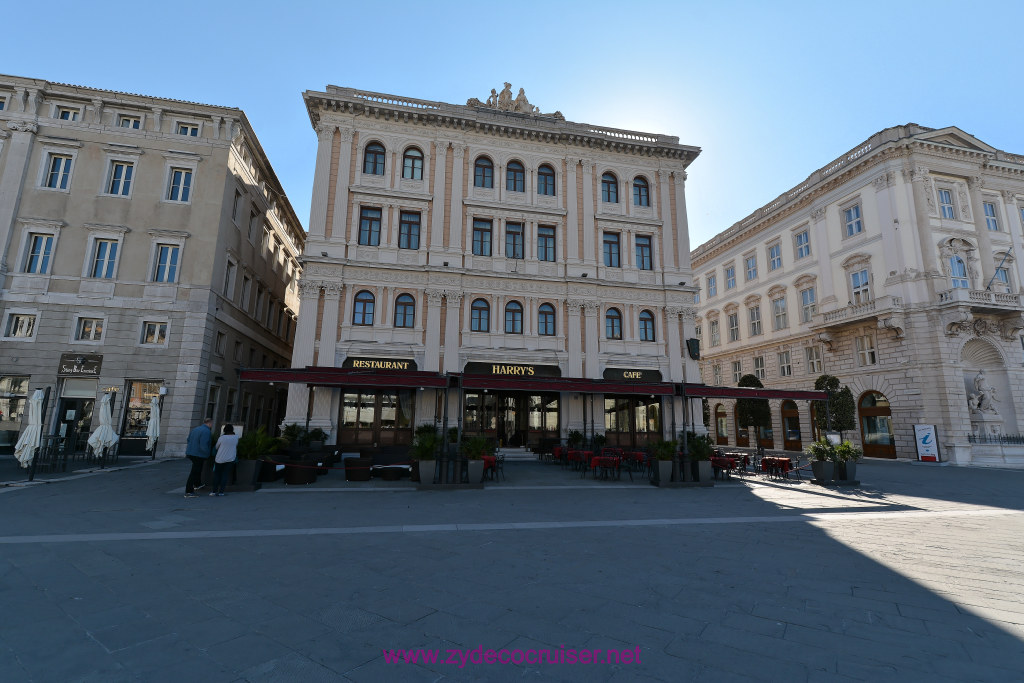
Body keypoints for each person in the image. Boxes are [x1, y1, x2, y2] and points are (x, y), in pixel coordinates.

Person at [183, 418, 213, 498]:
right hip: (199, 454)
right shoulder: (207, 431)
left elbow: (188, 439)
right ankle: (189, 491)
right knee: (194, 471)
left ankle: (197, 484)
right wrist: (208, 454)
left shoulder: (196, 429)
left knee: (197, 469)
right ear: (210, 423)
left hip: (191, 452)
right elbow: (204, 445)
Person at [211, 424, 240, 496]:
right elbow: (236, 446)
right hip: (230, 458)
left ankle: (214, 491)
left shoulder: (222, 438)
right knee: (225, 475)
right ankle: (221, 492)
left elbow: (217, 447)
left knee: (217, 475)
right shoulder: (236, 437)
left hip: (220, 458)